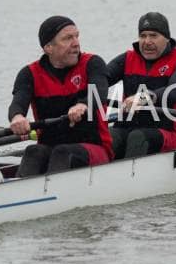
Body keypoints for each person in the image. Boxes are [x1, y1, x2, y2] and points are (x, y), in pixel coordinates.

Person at [8, 16, 114, 177]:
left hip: (95, 148)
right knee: (33, 151)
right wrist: (17, 117)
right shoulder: (29, 74)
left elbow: (99, 92)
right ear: (48, 47)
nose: (76, 43)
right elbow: (18, 102)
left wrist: (83, 105)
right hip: (51, 147)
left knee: (63, 152)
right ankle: (19, 189)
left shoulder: (92, 63)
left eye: (77, 36)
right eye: (68, 38)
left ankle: (49, 190)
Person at [106, 12, 176, 157]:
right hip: (128, 127)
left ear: (167, 38)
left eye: (153, 35)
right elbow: (101, 80)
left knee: (138, 137)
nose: (147, 41)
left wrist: (144, 97)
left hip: (169, 132)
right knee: (107, 136)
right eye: (143, 36)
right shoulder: (127, 59)